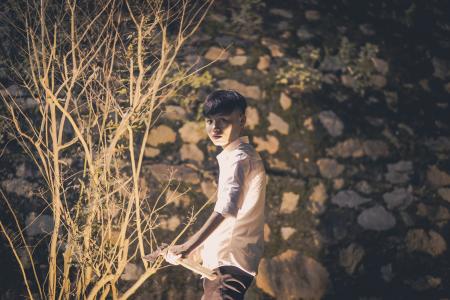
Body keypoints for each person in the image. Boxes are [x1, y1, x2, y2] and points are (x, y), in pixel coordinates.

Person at [169, 90, 267, 299]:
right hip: (223, 266)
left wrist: (187, 246)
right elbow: (228, 221)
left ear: (241, 121)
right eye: (210, 121)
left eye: (223, 120)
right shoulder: (235, 157)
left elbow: (226, 211)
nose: (215, 128)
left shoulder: (240, 159)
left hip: (228, 267)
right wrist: (195, 251)